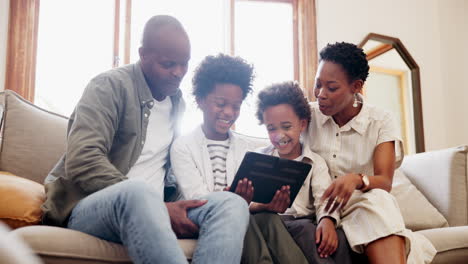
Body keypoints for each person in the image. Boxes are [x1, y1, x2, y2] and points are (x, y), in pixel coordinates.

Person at [40, 15, 250, 264]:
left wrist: (166, 206)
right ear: (143, 54)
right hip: (93, 208)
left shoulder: (176, 101)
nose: (178, 73)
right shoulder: (108, 87)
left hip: (153, 208)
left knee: (230, 204)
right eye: (169, 64)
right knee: (137, 191)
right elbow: (83, 160)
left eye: (184, 64)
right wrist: (156, 206)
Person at [170, 54, 308, 264]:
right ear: (200, 100)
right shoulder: (183, 146)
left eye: (236, 106)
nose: (229, 112)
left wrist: (265, 205)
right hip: (202, 218)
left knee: (268, 218)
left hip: (244, 214)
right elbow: (198, 200)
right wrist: (239, 204)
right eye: (221, 103)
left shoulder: (251, 148)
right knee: (240, 216)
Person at [308, 42, 436, 264]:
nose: (321, 94)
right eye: (318, 84)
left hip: (359, 202)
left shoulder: (380, 120)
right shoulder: (306, 116)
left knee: (378, 200)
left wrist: (357, 179)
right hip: (316, 202)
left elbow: (384, 181)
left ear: (356, 86)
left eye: (331, 87)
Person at [255, 81, 352, 264]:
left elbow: (324, 198)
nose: (279, 135)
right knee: (307, 230)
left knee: (340, 237)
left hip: (305, 220)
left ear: (302, 124)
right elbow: (247, 200)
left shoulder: (314, 162)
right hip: (275, 223)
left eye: (286, 126)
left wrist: (327, 220)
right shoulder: (260, 158)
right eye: (271, 128)